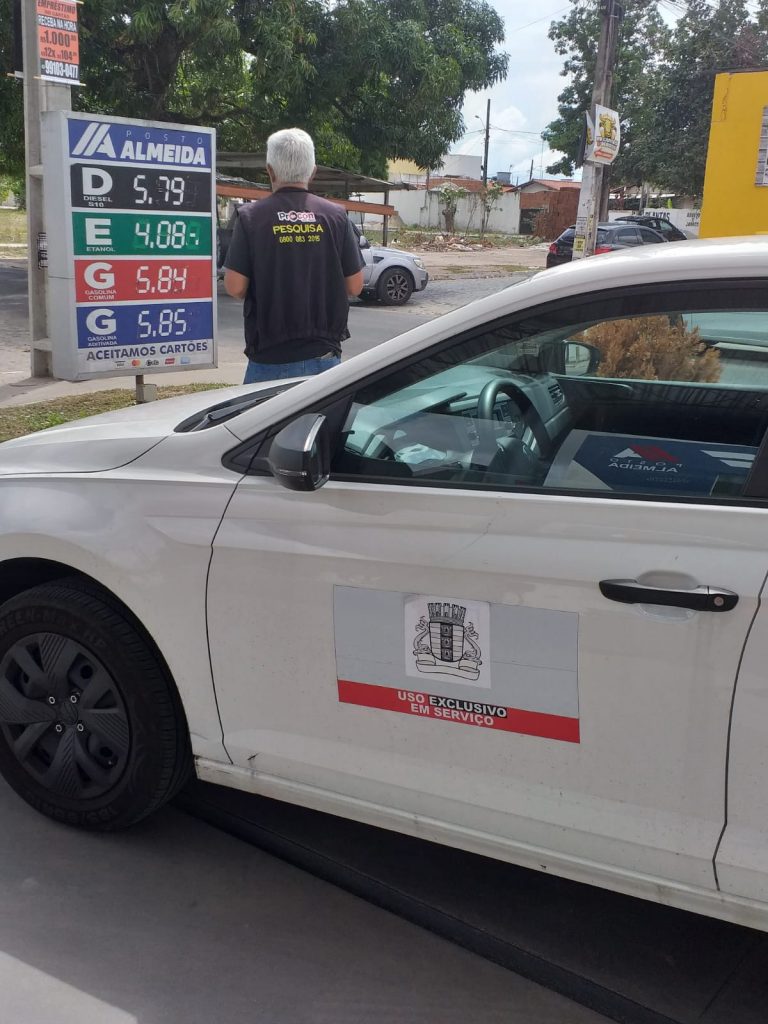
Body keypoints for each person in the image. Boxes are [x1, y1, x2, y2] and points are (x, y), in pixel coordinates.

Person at [223, 127, 365, 383]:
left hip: (269, 358)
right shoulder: (336, 216)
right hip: (324, 358)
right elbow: (355, 286)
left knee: (265, 413)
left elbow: (234, 287)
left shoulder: (251, 217)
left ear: (270, 170)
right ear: (313, 171)